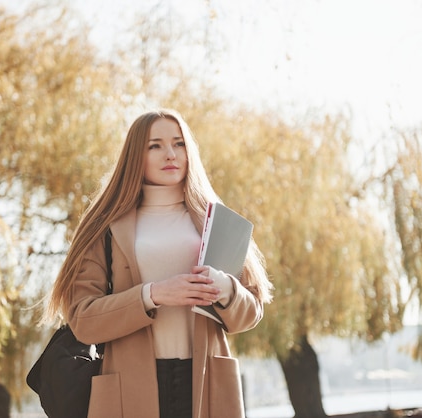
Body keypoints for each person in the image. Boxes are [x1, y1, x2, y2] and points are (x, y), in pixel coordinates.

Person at [42, 108, 272, 418]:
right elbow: (83, 320)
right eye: (155, 145)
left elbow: (250, 314)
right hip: (130, 386)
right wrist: (153, 295)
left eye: (179, 144)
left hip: (207, 384)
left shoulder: (216, 222)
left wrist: (225, 289)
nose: (170, 154)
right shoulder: (104, 227)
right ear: (136, 155)